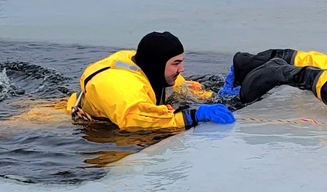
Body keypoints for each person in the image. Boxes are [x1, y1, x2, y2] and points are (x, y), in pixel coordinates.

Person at [64, 31, 236, 131]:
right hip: (71, 121)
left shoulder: (154, 70)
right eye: (176, 63)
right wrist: (190, 117)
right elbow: (136, 118)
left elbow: (182, 88)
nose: (181, 69)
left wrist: (218, 97)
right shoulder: (122, 87)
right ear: (157, 64)